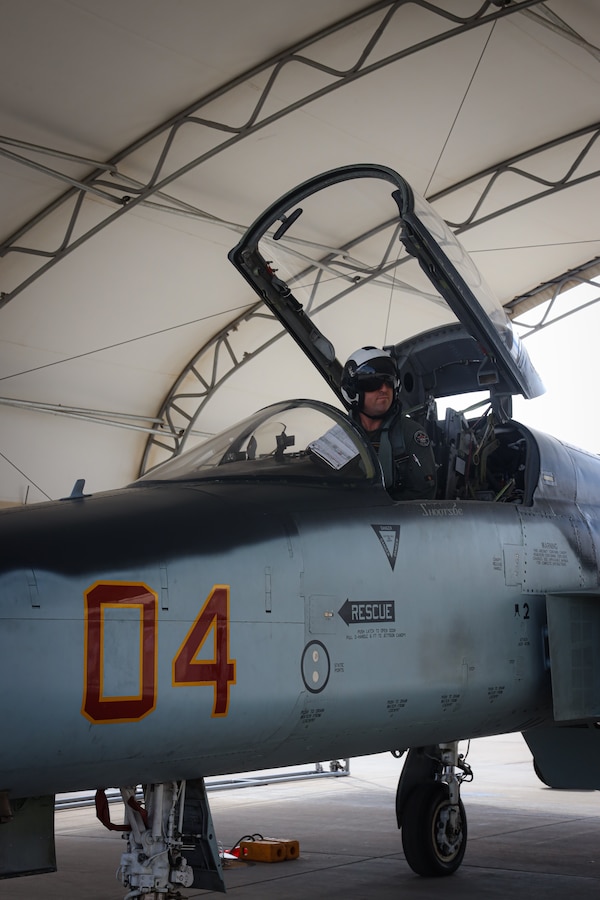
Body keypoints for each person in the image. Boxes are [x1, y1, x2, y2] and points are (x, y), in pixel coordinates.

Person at [341, 346, 437, 500]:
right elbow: (316, 470)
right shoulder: (341, 431)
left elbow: (424, 493)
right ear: (353, 391)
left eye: (389, 382)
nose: (384, 389)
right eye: (373, 383)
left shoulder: (410, 434)